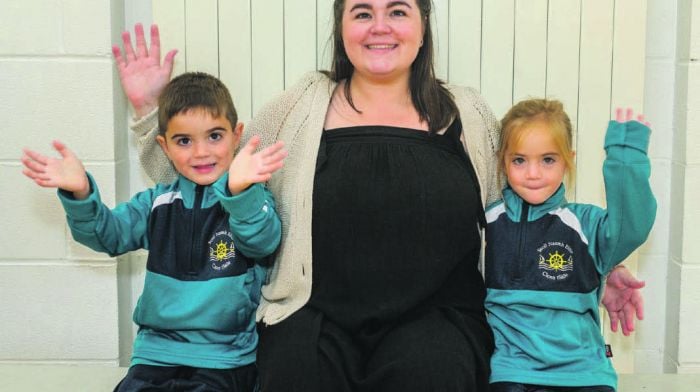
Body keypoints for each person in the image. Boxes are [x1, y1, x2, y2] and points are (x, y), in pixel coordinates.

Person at [112, 1, 647, 390]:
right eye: (362, 12)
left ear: (422, 27)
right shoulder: (298, 105)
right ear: (342, 28)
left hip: (438, 319)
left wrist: (586, 266)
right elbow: (207, 179)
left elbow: (519, 211)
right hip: (313, 314)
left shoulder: (467, 113)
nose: (380, 27)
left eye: (397, 11)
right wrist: (146, 112)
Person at [21, 72, 287, 391]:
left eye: (214, 136)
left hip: (224, 358)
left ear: (236, 135)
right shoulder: (155, 203)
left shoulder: (249, 198)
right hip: (154, 354)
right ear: (164, 146)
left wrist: (240, 192)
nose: (201, 152)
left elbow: (263, 242)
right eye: (184, 141)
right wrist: (80, 195)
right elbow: (107, 234)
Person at [485, 100, 656, 392]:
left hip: (584, 371)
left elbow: (631, 228)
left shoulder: (585, 223)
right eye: (519, 160)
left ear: (568, 160)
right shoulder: (489, 221)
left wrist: (625, 161)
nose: (533, 173)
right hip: (514, 370)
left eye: (548, 160)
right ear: (503, 161)